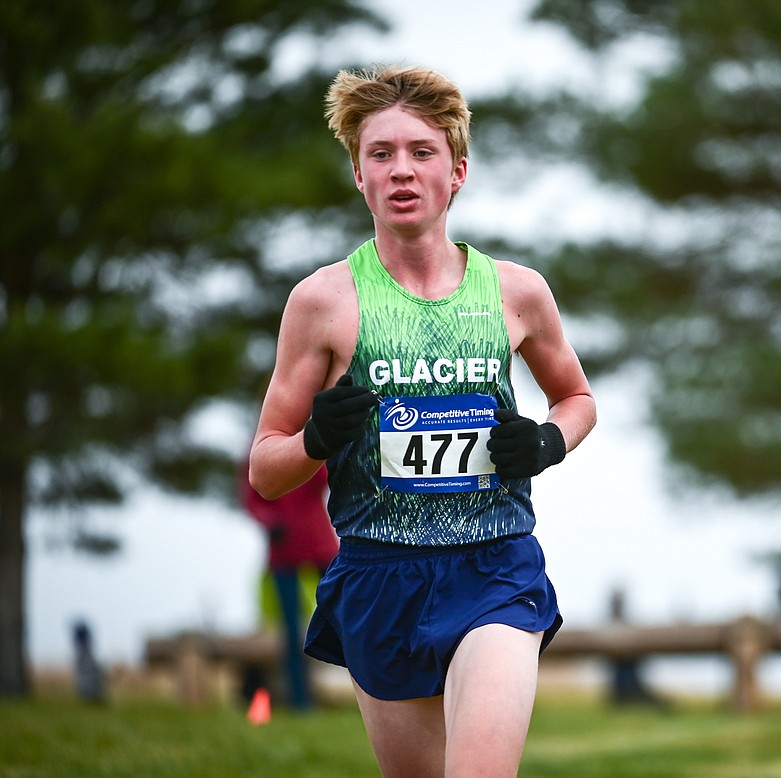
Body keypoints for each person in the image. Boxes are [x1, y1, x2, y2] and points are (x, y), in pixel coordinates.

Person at [248, 64, 596, 778]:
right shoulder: (323, 303)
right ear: (358, 176)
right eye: (381, 154)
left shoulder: (517, 292)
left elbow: (579, 400)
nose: (401, 170)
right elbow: (265, 466)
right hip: (381, 574)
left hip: (495, 565)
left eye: (421, 152)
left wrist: (545, 441)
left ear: (458, 170)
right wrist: (315, 439)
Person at [239, 459, 338, 710]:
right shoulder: (258, 451)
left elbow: (324, 478)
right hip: (284, 549)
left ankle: (369, 693)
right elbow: (251, 496)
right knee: (291, 634)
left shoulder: (311, 441)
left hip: (318, 543)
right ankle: (300, 702)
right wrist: (270, 522)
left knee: (345, 618)